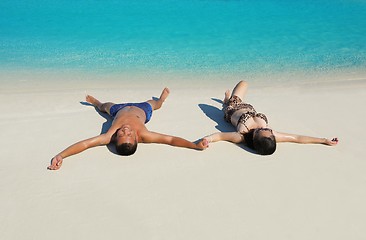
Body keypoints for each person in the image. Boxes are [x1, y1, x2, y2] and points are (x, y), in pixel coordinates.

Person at [48, 87, 207, 170]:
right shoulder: (145, 134)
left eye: (122, 133)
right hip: (142, 110)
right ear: (136, 138)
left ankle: (96, 102)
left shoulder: (109, 136)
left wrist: (61, 155)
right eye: (129, 133)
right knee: (155, 105)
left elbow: (86, 144)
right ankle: (161, 100)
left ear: (116, 138)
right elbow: (171, 140)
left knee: (105, 106)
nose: (125, 129)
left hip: (119, 110)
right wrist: (194, 145)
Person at [203, 80, 338, 155]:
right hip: (249, 107)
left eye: (264, 130)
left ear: (256, 136)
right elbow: (297, 138)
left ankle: (226, 101)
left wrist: (207, 140)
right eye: (271, 132)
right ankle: (226, 99)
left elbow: (220, 136)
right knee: (245, 84)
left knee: (243, 83)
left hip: (234, 106)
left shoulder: (241, 136)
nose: (270, 130)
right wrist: (323, 140)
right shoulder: (271, 136)